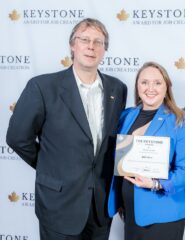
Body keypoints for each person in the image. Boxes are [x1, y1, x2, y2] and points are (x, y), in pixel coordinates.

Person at [6, 18, 127, 240]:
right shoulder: (42, 87)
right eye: (85, 39)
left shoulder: (117, 89)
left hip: (100, 206)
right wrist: (49, 165)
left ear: (105, 49)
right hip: (59, 204)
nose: (91, 46)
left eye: (98, 42)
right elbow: (17, 138)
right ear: (72, 45)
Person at [108, 62, 185, 240]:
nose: (150, 88)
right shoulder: (126, 115)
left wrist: (156, 184)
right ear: (137, 86)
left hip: (164, 212)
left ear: (167, 86)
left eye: (157, 83)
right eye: (144, 82)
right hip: (130, 211)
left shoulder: (181, 119)